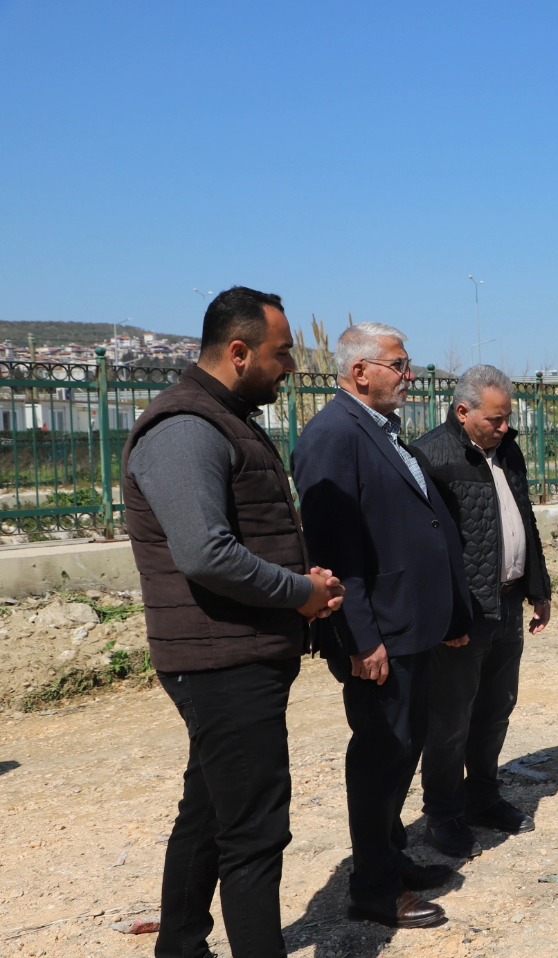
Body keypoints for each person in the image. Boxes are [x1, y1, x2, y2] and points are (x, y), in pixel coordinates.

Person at [122, 286, 345, 958]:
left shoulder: (225, 418)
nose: (292, 367)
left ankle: (180, 947)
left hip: (234, 651)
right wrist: (298, 593)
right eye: (282, 353)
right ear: (239, 352)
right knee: (254, 831)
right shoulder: (186, 428)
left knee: (209, 811)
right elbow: (205, 553)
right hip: (222, 659)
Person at [292, 323, 471, 929]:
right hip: (380, 634)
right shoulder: (333, 436)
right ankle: (372, 889)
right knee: (379, 759)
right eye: (399, 365)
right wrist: (361, 640)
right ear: (360, 370)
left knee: (403, 749)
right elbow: (333, 552)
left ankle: (390, 858)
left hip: (410, 625)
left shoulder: (381, 430)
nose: (409, 376)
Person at [411, 365, 553, 858]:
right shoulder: (431, 456)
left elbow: (524, 519)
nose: (504, 427)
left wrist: (539, 587)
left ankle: (483, 797)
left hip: (507, 602)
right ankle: (443, 813)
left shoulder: (508, 451)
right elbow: (426, 549)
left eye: (507, 417)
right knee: (451, 718)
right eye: (495, 419)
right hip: (464, 612)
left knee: (496, 709)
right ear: (463, 412)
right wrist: (446, 614)